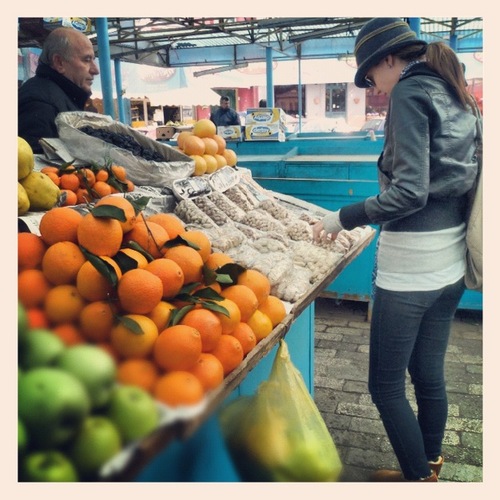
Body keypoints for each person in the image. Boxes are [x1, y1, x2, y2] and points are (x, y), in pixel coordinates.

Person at [312, 18, 480, 482]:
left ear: (389, 59)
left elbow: (409, 193)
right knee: (428, 374)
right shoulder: (455, 90)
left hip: (411, 268)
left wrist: (342, 217)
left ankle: (418, 480)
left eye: (370, 78)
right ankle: (430, 465)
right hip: (450, 264)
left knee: (385, 387)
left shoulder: (410, 92)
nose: (374, 88)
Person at [18, 27, 100, 153]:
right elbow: (37, 169)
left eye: (93, 60)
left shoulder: (61, 96)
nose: (95, 70)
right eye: (87, 60)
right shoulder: (41, 104)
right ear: (59, 62)